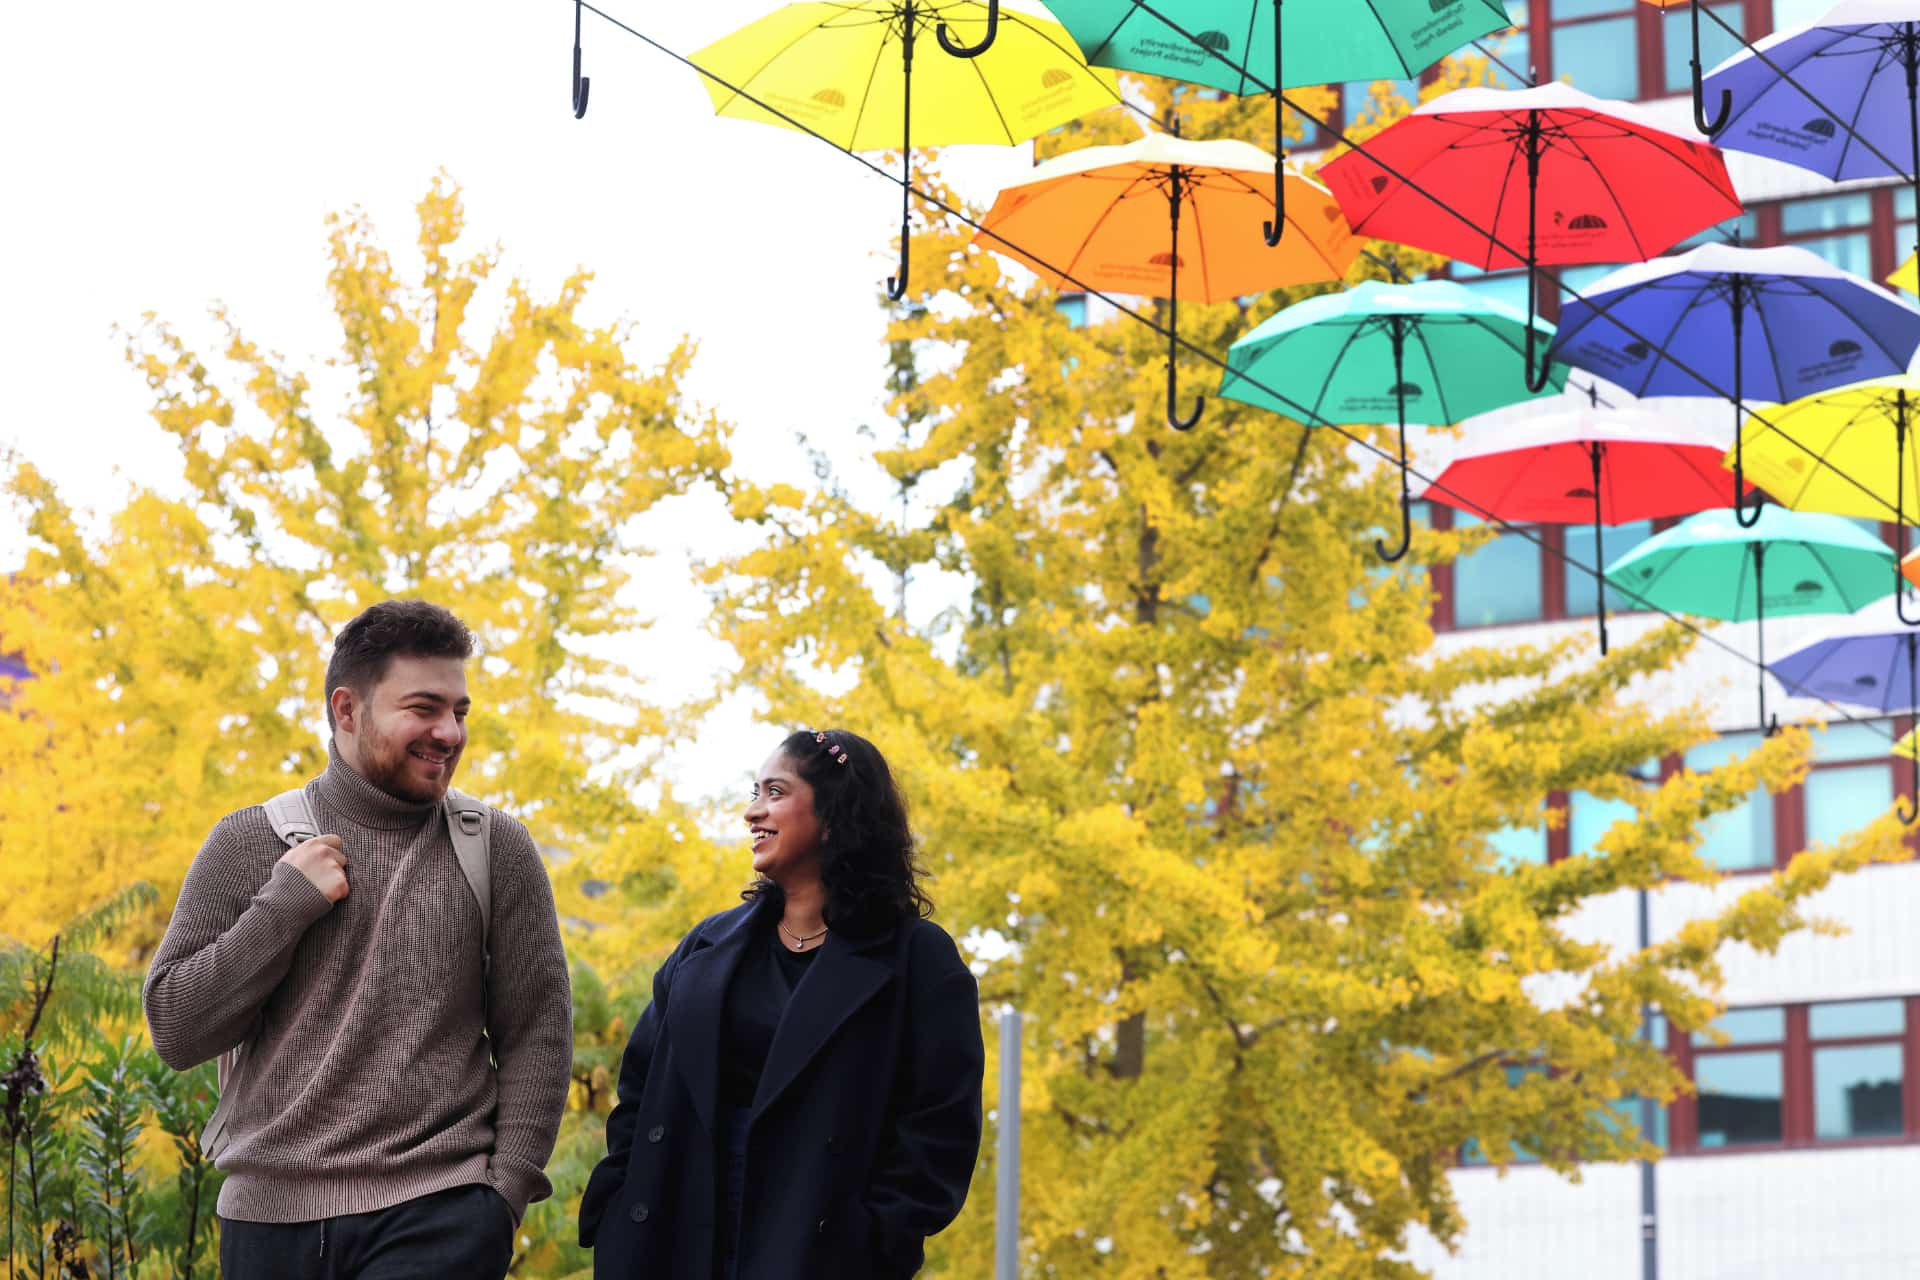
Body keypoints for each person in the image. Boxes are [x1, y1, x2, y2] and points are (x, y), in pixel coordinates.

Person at [143, 599, 573, 1279]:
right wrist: (281, 908)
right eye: (424, 708)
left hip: (438, 1211)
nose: (449, 733)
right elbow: (176, 1028)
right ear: (348, 710)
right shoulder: (247, 842)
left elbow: (538, 1032)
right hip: (266, 1222)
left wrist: (503, 1195)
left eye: (459, 712)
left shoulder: (496, 849)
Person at [579, 728, 984, 1280]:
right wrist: (616, 1204)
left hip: (814, 1251)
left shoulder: (917, 960)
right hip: (670, 1237)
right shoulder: (707, 945)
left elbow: (941, 1127)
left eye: (774, 792)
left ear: (836, 815)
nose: (752, 812)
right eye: (754, 792)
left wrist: (871, 1242)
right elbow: (639, 1086)